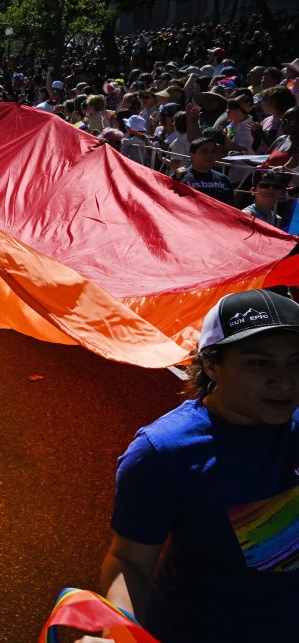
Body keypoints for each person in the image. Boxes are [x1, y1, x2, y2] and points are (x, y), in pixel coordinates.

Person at [78, 288, 299, 643]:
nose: (284, 380)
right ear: (211, 364)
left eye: (296, 361)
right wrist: (118, 632)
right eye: (258, 363)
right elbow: (130, 561)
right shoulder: (162, 451)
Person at [179, 136, 233, 204]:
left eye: (213, 151)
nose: (210, 155)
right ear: (192, 156)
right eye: (204, 151)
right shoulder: (180, 178)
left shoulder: (224, 179)